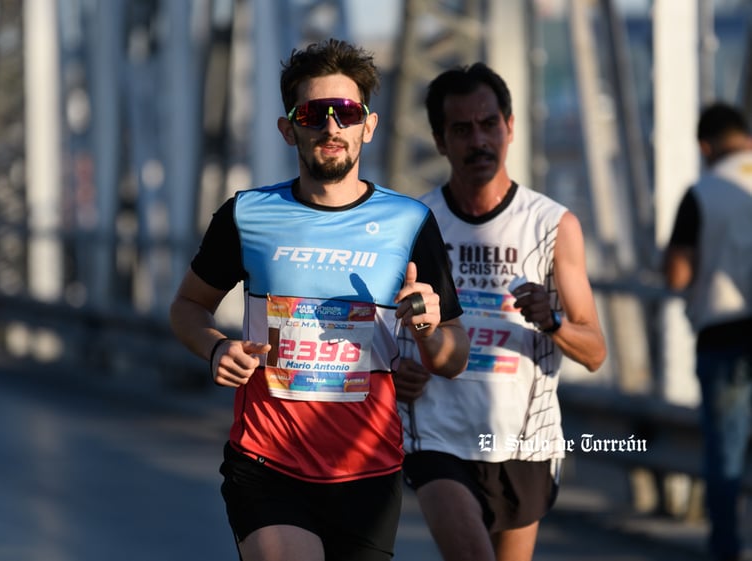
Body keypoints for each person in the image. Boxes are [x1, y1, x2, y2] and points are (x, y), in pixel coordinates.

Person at [169, 38, 469, 561]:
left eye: (347, 112)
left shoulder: (409, 223)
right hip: (267, 463)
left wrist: (424, 329)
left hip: (369, 471)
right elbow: (187, 308)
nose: (331, 127)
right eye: (314, 113)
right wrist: (217, 348)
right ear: (289, 128)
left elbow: (453, 357)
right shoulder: (247, 215)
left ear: (367, 126)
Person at [392, 62, 607, 561]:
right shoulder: (412, 224)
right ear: (441, 141)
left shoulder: (552, 225)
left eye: (489, 124)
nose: (478, 141)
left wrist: (551, 321)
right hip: (438, 438)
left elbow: (595, 352)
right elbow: (382, 329)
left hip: (524, 444)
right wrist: (392, 369)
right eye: (462, 130)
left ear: (510, 127)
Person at [663, 102, 752, 561]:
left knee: (726, 456)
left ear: (705, 146)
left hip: (723, 335)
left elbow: (677, 274)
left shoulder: (702, 193)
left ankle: (727, 550)